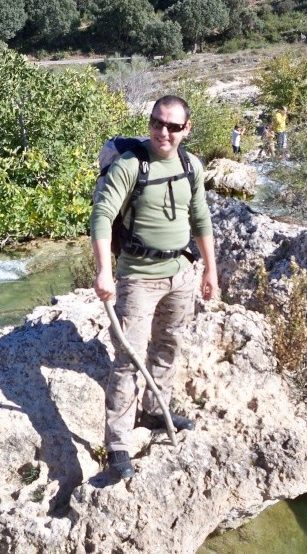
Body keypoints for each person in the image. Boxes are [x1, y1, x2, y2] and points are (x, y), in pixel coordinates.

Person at [90, 95, 218, 480]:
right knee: (128, 358)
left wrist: (211, 270)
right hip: (137, 278)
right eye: (157, 123)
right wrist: (103, 271)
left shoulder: (191, 166)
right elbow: (101, 216)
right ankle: (118, 444)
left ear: (186, 129)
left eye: (173, 126)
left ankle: (153, 408)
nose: (163, 132)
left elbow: (201, 219)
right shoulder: (131, 165)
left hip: (181, 273)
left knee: (168, 345)